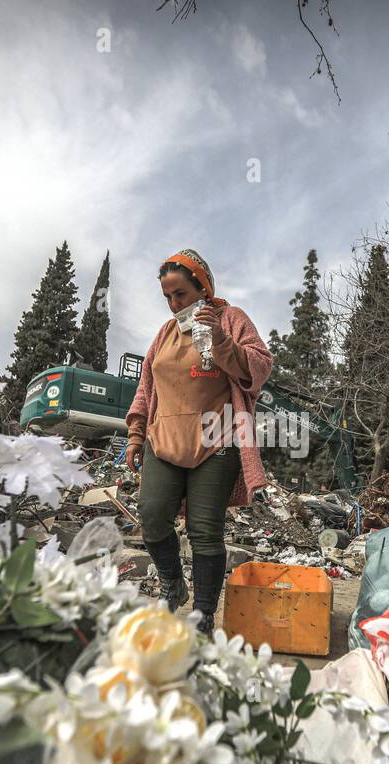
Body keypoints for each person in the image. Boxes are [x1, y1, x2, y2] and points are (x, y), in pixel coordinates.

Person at [125, 249, 273, 635]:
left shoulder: (231, 318)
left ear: (203, 288)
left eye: (182, 295)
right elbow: (146, 387)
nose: (175, 304)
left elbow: (258, 367)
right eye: (169, 297)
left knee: (205, 527)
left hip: (215, 439)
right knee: (153, 516)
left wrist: (222, 341)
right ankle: (174, 583)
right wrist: (136, 434)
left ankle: (204, 615)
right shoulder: (166, 333)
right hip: (165, 437)